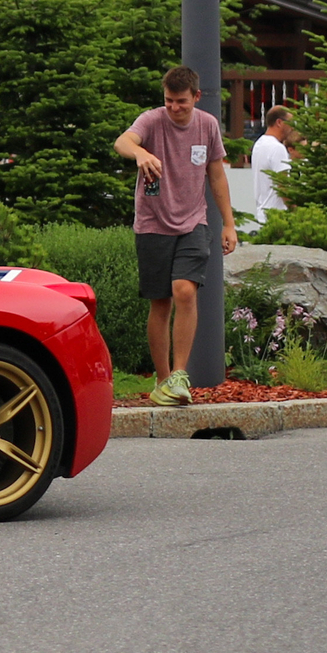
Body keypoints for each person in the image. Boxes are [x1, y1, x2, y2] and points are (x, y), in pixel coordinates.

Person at [114, 65, 239, 407]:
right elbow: (122, 141)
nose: (174, 108)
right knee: (160, 303)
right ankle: (163, 379)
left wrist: (228, 224)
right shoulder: (152, 120)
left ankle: (181, 374)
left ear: (196, 97)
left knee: (184, 290)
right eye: (169, 100)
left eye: (181, 101)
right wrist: (139, 152)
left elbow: (216, 177)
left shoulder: (207, 126)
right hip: (153, 223)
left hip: (193, 222)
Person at [248, 104, 296, 219]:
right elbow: (283, 185)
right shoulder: (277, 148)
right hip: (277, 216)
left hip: (263, 213)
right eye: (290, 123)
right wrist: (296, 211)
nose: (292, 128)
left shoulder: (259, 144)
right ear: (279, 122)